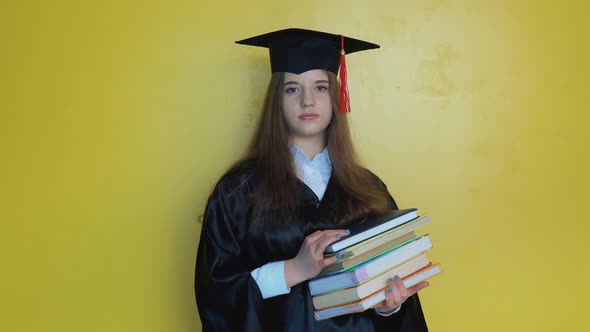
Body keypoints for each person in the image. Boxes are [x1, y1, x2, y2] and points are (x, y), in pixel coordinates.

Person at [195, 28, 430, 331]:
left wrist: (390, 306)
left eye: (320, 87)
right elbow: (216, 296)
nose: (308, 101)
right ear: (276, 100)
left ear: (335, 96)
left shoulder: (369, 189)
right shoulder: (237, 192)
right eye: (292, 89)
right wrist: (293, 270)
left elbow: (394, 303)